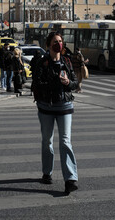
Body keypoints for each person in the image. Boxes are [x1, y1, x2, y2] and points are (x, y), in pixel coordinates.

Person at [32, 31, 79, 194]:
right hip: (46, 106)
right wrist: (52, 82)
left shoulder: (67, 60)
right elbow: (36, 84)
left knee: (66, 141)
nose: (58, 44)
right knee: (47, 141)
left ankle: (70, 179)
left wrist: (67, 83)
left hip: (65, 105)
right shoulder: (42, 62)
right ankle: (47, 172)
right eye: (55, 41)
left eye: (60, 41)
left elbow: (75, 83)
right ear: (48, 45)